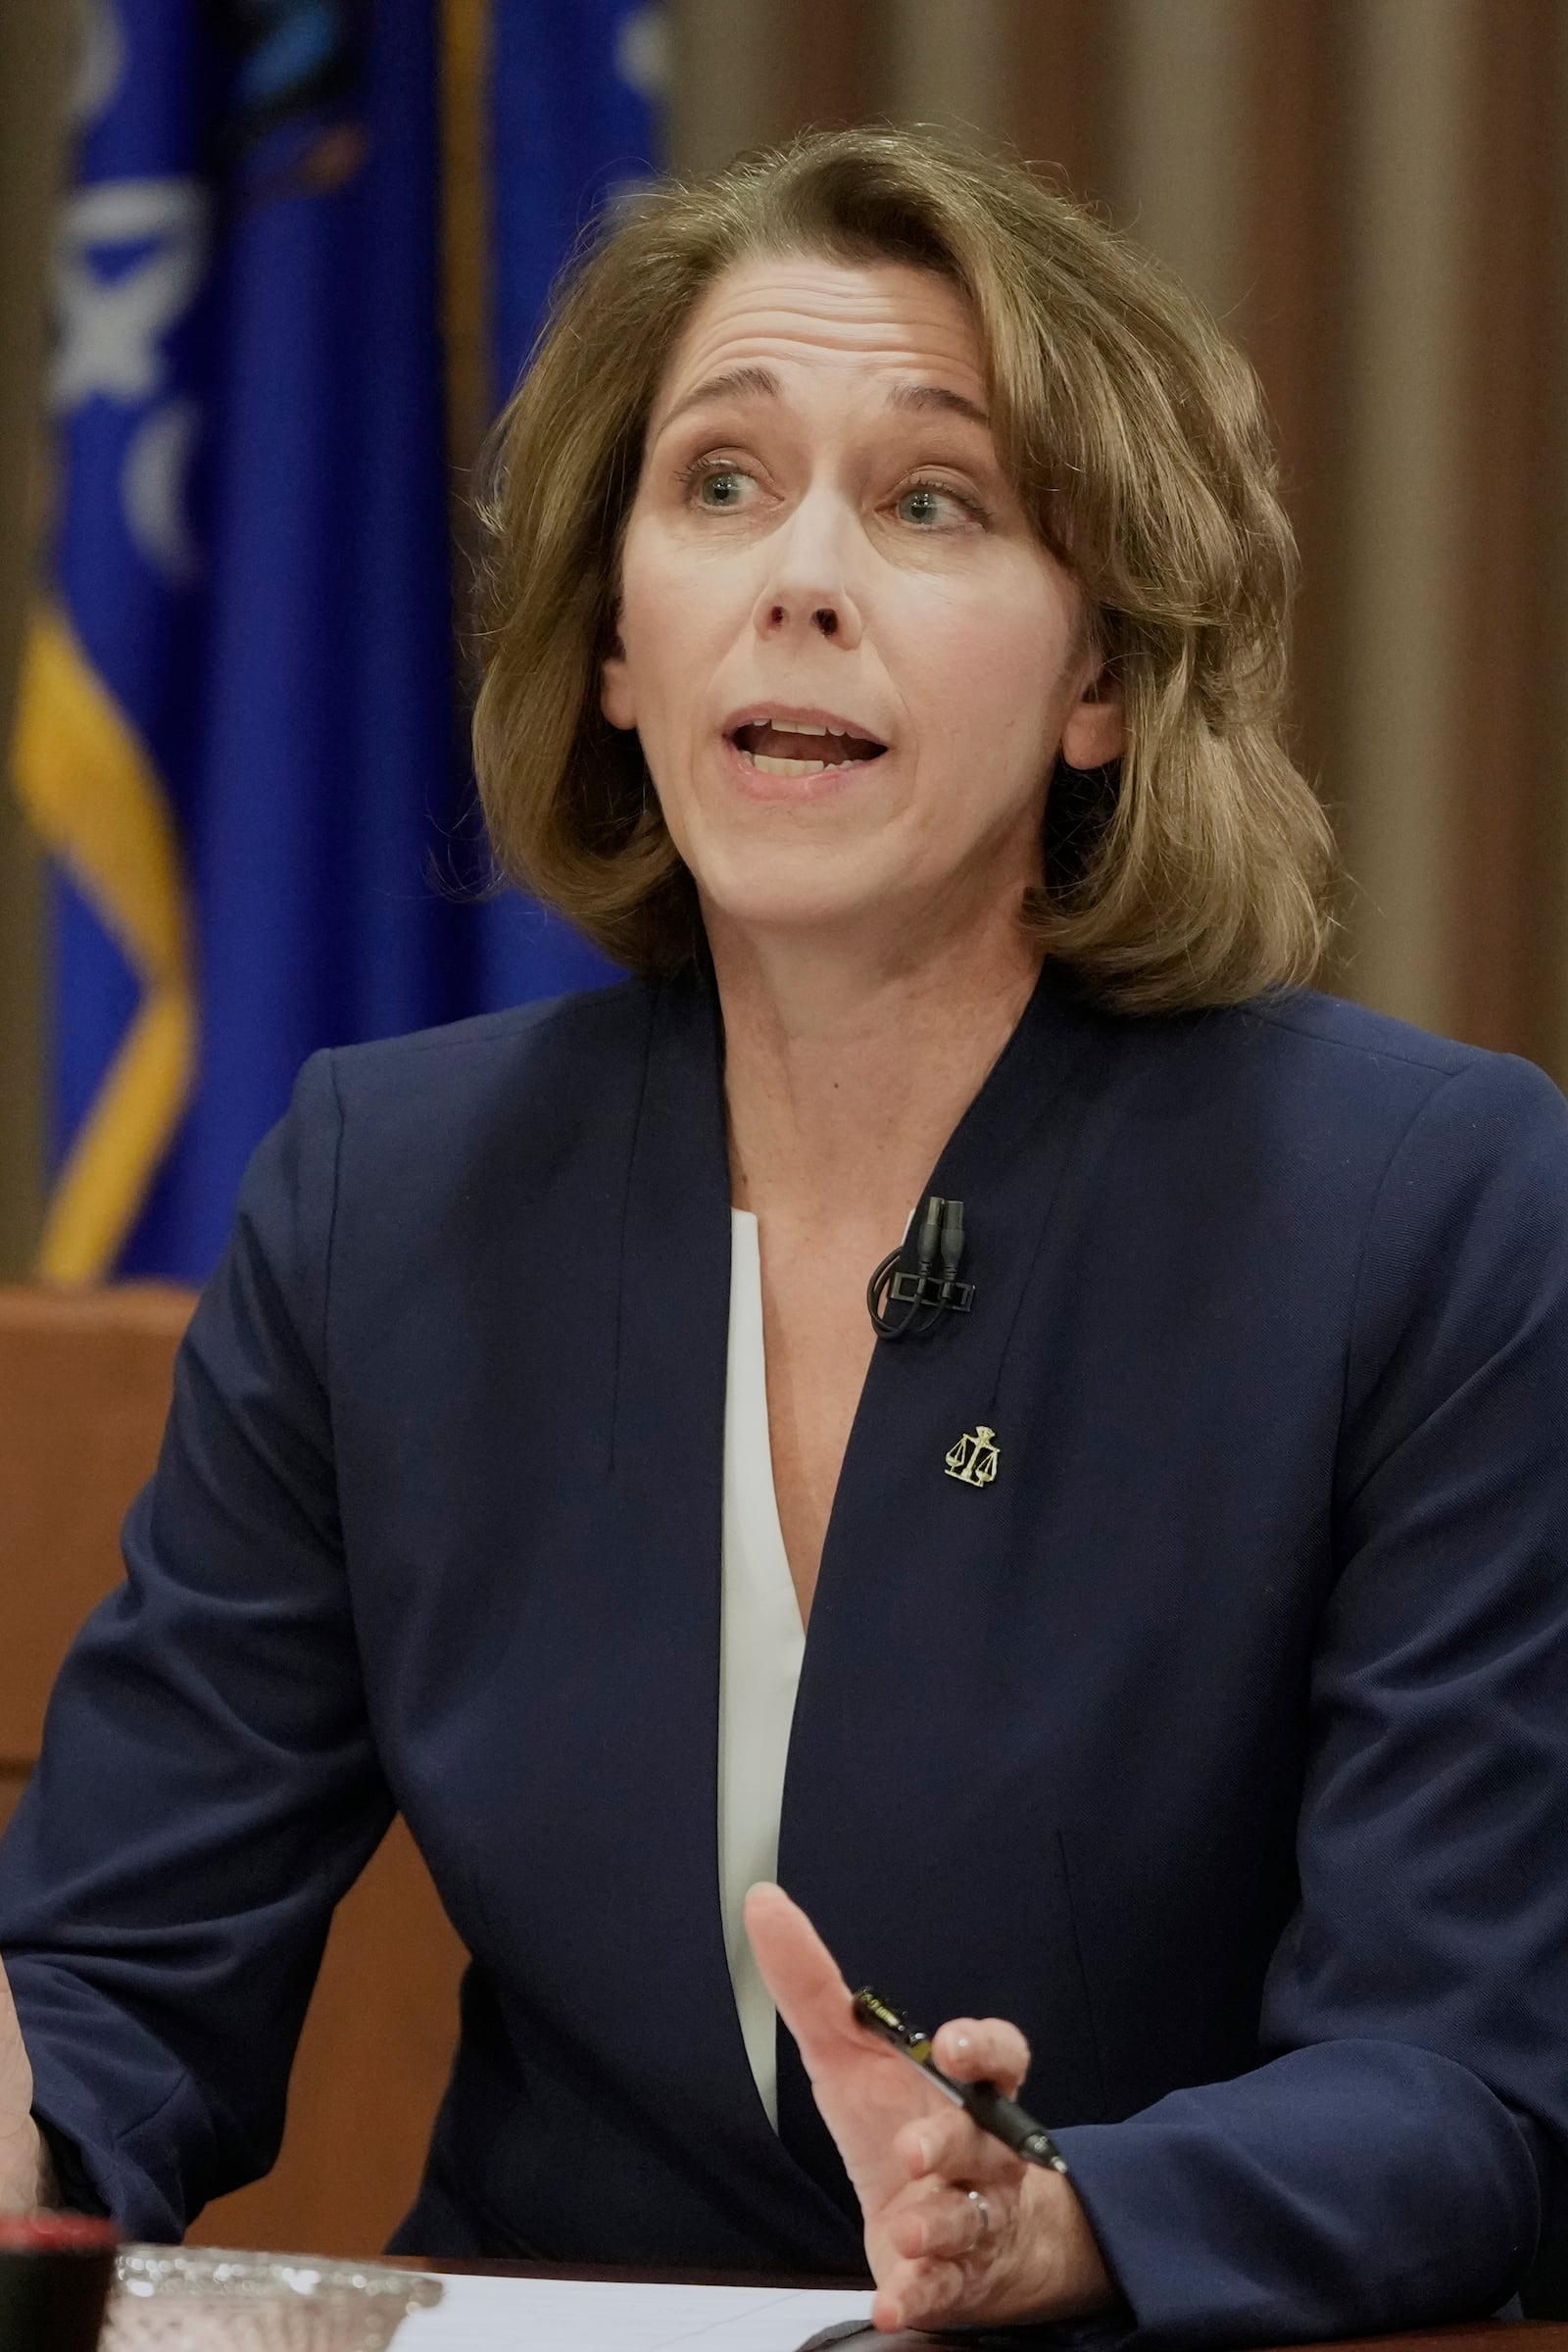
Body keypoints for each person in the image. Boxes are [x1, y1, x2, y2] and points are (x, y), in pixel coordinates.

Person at [2, 122, 1566, 2348]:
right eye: (716, 486)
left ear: (1102, 677)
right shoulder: (390, 1197)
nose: (796, 575)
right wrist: (26, 2109)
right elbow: (117, 1979)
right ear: (619, 648)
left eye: (928, 502)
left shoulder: (1416, 1205)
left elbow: (1465, 2075)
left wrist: (1061, 2218)